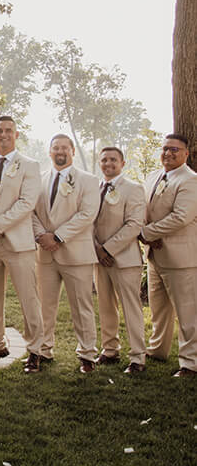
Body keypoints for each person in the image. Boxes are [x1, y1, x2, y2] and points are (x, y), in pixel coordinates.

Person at [0, 116, 44, 373]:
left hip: (18, 242)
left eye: (8, 131)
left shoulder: (30, 165)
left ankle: (35, 349)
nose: (3, 134)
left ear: (16, 134)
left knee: (28, 298)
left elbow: (27, 202)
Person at [32, 134, 100, 373]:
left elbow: (87, 213)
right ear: (49, 152)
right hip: (45, 254)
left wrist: (58, 236)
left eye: (65, 147)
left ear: (72, 150)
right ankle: (42, 350)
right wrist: (42, 235)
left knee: (81, 306)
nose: (60, 151)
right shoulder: (38, 181)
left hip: (75, 253)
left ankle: (87, 355)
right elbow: (31, 212)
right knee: (44, 306)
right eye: (55, 147)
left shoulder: (88, 180)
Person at [141, 133, 197, 377]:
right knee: (159, 308)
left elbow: (181, 217)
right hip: (155, 255)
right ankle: (157, 349)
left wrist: (147, 232)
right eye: (165, 149)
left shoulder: (190, 180)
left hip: (180, 257)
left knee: (187, 312)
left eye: (175, 150)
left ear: (186, 154)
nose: (168, 153)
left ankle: (190, 363)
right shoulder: (153, 176)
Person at [93, 147, 147, 374]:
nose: (108, 163)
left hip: (124, 258)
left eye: (113, 159)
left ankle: (137, 357)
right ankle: (110, 349)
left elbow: (135, 224)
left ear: (123, 163)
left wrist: (109, 249)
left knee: (130, 307)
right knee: (106, 305)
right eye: (104, 160)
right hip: (98, 258)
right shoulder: (94, 188)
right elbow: (88, 221)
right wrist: (96, 249)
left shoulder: (133, 189)